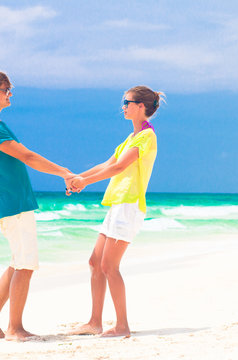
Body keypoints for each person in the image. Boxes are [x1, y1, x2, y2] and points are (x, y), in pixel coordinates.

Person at [0, 69, 75, 341]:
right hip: (13, 203)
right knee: (25, 265)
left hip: (14, 201)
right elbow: (27, 156)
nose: (10, 93)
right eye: (6, 88)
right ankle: (15, 329)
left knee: (18, 263)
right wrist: (64, 172)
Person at [68, 85, 164, 338]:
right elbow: (107, 164)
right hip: (117, 205)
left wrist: (84, 183)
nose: (123, 106)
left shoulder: (147, 136)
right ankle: (94, 322)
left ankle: (122, 326)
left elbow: (120, 167)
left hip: (129, 206)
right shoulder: (130, 138)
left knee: (110, 265)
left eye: (127, 102)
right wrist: (76, 177)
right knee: (94, 263)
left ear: (141, 106)